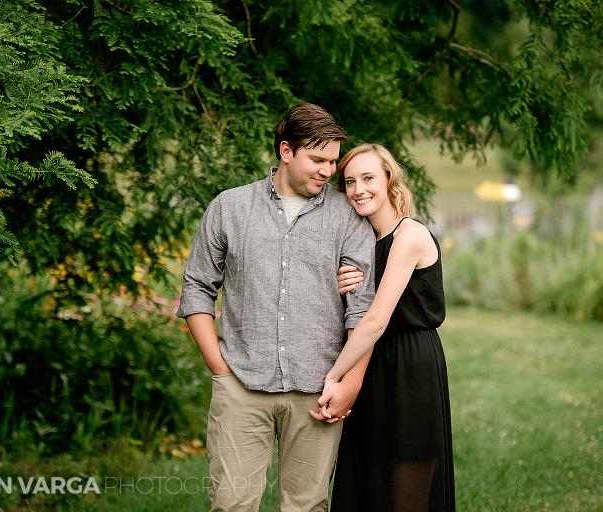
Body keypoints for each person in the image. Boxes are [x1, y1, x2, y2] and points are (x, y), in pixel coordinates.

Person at [176, 103, 376, 511]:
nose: (327, 171)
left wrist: (348, 384)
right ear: (286, 151)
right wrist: (219, 366)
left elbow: (362, 309)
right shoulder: (229, 208)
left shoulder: (348, 217)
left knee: (306, 506)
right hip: (241, 385)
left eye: (333, 162)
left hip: (318, 391)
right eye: (317, 159)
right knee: (231, 504)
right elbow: (197, 286)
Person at [316, 143, 455, 512]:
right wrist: (342, 285)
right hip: (371, 364)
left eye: (368, 178)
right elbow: (357, 309)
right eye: (349, 182)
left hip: (410, 366)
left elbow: (376, 320)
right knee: (370, 487)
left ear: (389, 180)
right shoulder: (361, 239)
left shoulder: (409, 236)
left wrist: (336, 376)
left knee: (405, 496)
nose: (358, 189)